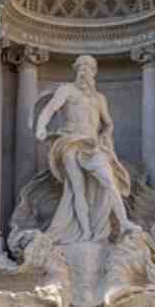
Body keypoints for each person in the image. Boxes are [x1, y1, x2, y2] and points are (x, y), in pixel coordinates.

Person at [33, 55, 140, 243]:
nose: (84, 71)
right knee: (77, 189)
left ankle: (124, 222)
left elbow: (107, 123)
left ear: (94, 72)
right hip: (70, 142)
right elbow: (50, 109)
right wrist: (41, 127)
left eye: (89, 67)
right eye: (81, 67)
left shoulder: (99, 98)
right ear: (76, 70)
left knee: (109, 182)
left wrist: (106, 137)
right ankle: (86, 233)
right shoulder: (67, 90)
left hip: (92, 145)